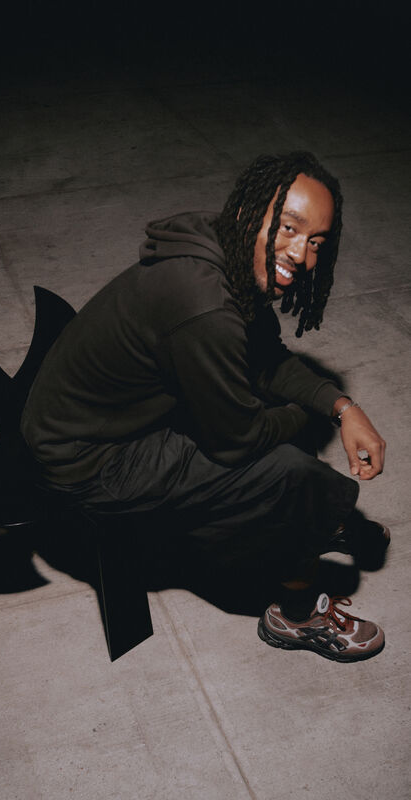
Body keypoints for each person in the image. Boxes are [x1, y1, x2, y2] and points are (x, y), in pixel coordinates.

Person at [21, 151, 389, 663]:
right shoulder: (203, 305)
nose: (301, 253)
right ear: (247, 213)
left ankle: (318, 519)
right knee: (290, 474)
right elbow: (236, 441)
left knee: (281, 425)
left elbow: (264, 358)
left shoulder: (223, 248)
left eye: (315, 242)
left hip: (94, 416)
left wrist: (342, 407)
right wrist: (307, 415)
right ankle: (297, 614)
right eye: (288, 227)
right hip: (86, 458)